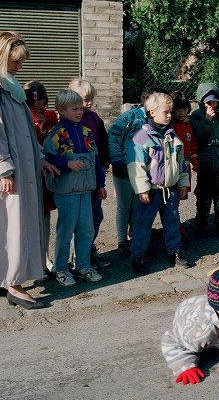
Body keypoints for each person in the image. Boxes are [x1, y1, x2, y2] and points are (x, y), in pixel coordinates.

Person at [0, 31, 58, 309]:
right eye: (14, 61)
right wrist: (2, 168)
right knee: (10, 227)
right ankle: (14, 286)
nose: (19, 67)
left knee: (1, 226)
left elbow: (24, 130)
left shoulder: (7, 82)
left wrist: (39, 156)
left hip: (20, 166)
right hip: (6, 171)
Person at [43, 89, 106, 286]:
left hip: (86, 190)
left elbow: (95, 161)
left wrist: (101, 184)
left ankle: (83, 265)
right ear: (61, 110)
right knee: (66, 230)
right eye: (74, 109)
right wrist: (66, 164)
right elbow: (48, 158)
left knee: (86, 229)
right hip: (66, 191)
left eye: (80, 108)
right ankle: (61, 268)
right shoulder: (56, 134)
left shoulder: (87, 132)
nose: (80, 112)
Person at [127, 92, 190, 275]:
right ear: (152, 112)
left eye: (170, 112)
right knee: (142, 224)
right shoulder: (141, 138)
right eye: (166, 112)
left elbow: (181, 163)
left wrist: (182, 183)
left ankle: (174, 251)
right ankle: (138, 256)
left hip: (169, 189)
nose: (170, 115)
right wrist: (142, 189)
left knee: (172, 221)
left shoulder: (173, 136)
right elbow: (136, 166)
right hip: (150, 191)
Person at [67, 78, 111, 269]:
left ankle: (89, 248)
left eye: (91, 98)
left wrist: (104, 166)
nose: (89, 103)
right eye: (85, 99)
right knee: (78, 218)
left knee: (95, 214)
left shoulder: (94, 118)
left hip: (95, 175)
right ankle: (78, 254)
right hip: (76, 178)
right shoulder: (68, 120)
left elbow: (103, 143)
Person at [189, 83, 219, 238]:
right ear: (201, 101)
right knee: (203, 196)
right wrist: (207, 119)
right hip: (205, 166)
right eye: (208, 102)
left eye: (214, 101)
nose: (211, 105)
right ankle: (200, 224)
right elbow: (199, 136)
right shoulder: (196, 116)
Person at [107, 91, 149, 256]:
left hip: (141, 170)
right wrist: (116, 158)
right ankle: (122, 240)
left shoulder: (153, 120)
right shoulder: (130, 117)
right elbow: (114, 133)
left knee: (138, 206)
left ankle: (135, 237)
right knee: (124, 206)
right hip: (123, 169)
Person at [24, 81, 58, 274]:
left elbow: (56, 140)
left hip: (48, 172)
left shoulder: (51, 115)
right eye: (34, 107)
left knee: (45, 215)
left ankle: (45, 257)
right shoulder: (23, 116)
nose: (38, 111)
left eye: (42, 107)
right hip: (30, 171)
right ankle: (34, 259)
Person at [170, 91, 198, 238]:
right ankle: (173, 225)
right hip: (172, 167)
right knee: (171, 197)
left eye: (184, 109)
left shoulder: (189, 125)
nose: (181, 112)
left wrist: (195, 159)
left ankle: (174, 223)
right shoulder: (170, 125)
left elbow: (192, 142)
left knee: (179, 196)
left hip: (185, 167)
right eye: (177, 109)